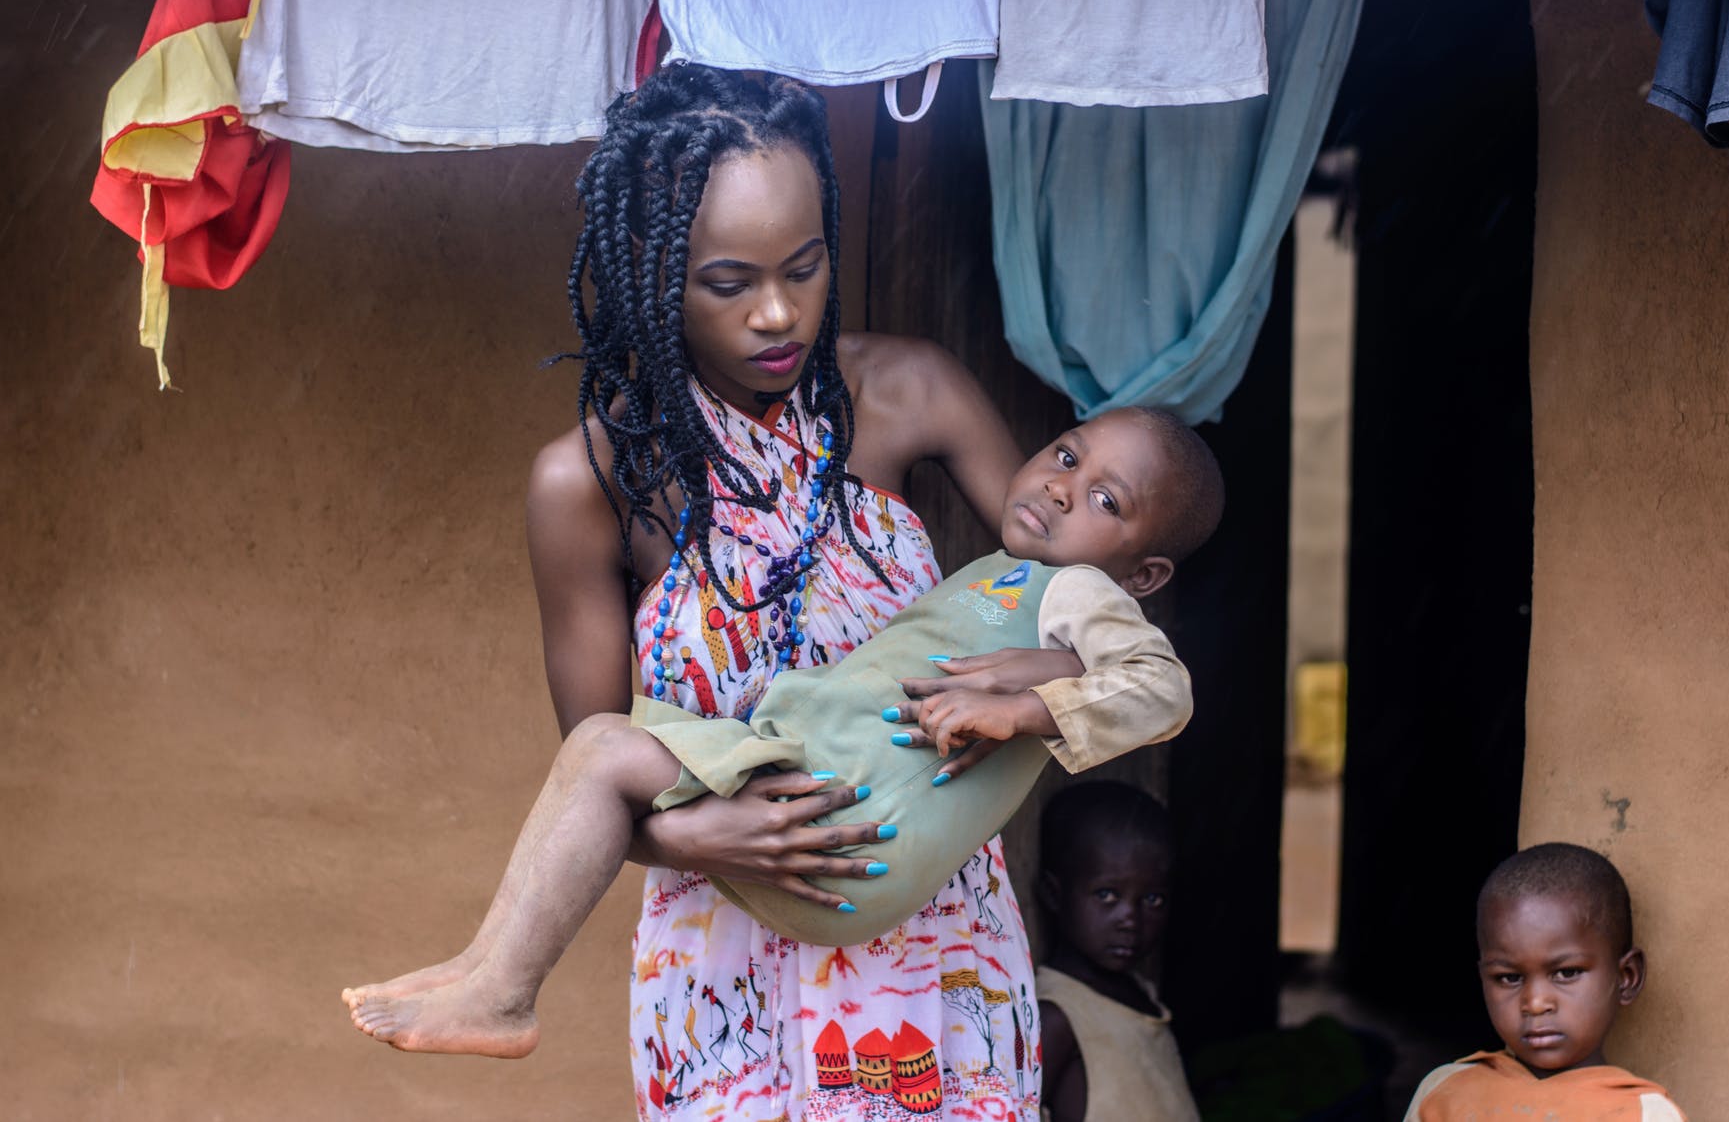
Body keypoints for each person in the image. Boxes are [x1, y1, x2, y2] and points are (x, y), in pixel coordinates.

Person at [342, 63, 1089, 1118]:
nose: (779, 315)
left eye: (805, 265)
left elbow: (1072, 612)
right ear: (651, 272)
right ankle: (492, 982)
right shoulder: (590, 485)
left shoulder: (912, 393)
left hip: (933, 933)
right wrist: (702, 835)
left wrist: (1028, 682)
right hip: (729, 937)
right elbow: (600, 770)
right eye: (728, 282)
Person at [343, 406, 1220, 1057]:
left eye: (1104, 496)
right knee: (599, 748)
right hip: (814, 784)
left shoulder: (1080, 593)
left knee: (606, 750)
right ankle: (487, 968)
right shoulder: (1008, 578)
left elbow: (1163, 688)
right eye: (1067, 453)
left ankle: (503, 991)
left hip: (843, 810)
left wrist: (1026, 706)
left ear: (1141, 571)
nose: (1063, 483)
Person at [1403, 842, 1687, 1121]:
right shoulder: (1445, 1094)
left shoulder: (1644, 1114)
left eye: (1567, 973)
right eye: (1509, 978)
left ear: (1627, 977)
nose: (1535, 1003)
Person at [1035, 781, 1200, 1122]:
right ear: (1054, 894)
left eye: (1152, 900)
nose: (1131, 920)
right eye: (1107, 895)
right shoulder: (1056, 1016)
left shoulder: (1141, 995)